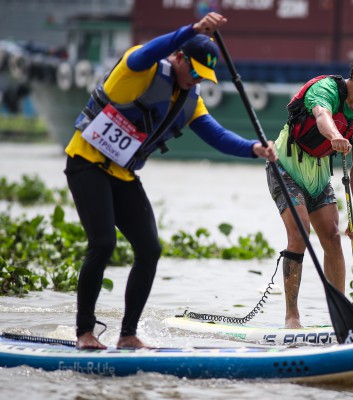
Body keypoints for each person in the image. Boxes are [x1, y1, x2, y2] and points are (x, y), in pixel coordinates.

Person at [64, 12, 277, 349]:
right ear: (178, 56)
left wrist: (254, 149)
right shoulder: (139, 68)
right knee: (103, 243)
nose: (196, 79)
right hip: (86, 162)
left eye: (203, 76)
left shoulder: (189, 99)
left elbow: (215, 135)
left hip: (122, 173)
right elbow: (150, 51)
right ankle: (84, 333)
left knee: (150, 249)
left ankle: (128, 335)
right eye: (192, 70)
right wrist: (191, 29)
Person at [266, 44, 353, 328]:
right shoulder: (326, 88)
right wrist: (335, 135)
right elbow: (322, 116)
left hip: (319, 176)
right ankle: (292, 318)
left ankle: (340, 316)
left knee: (334, 238)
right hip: (285, 167)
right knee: (299, 236)